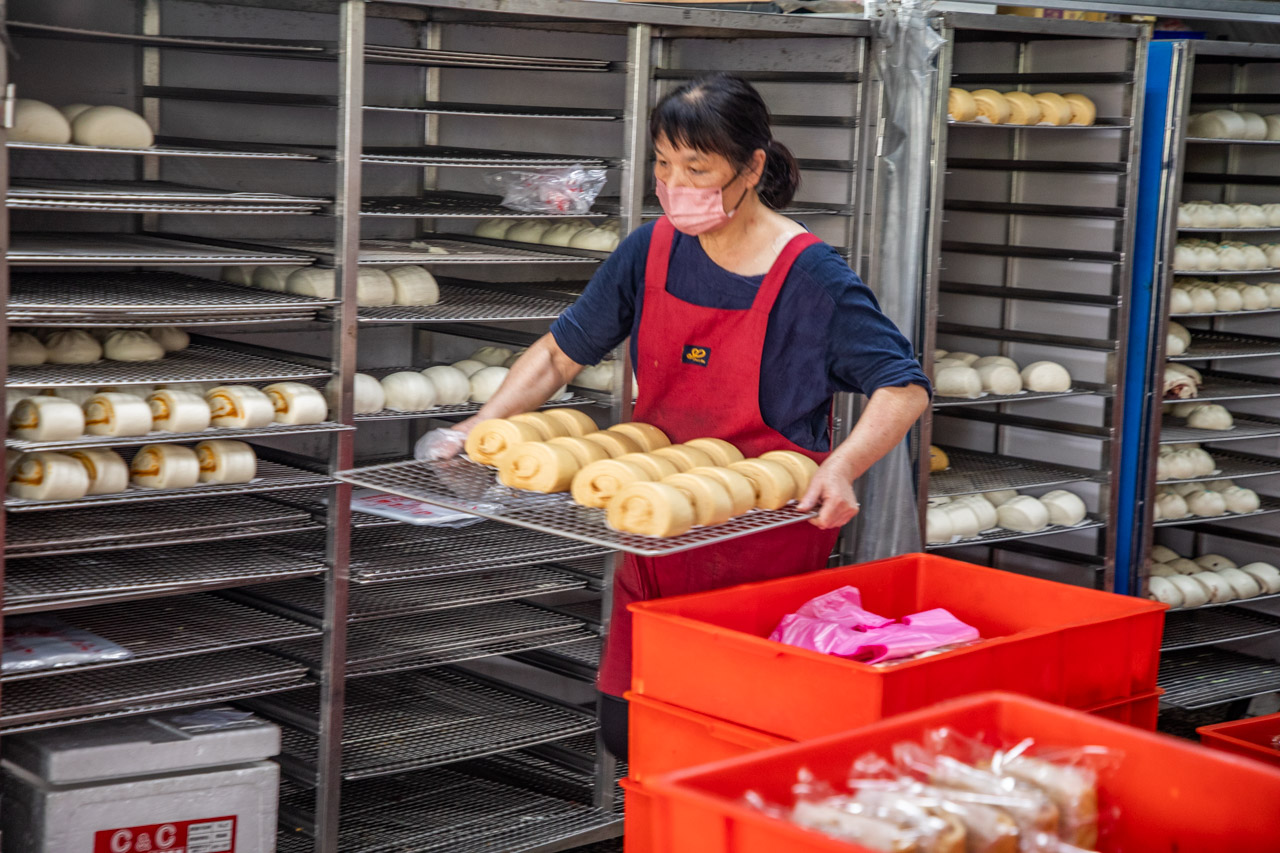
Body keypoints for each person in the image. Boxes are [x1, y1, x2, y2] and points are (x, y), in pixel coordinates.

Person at [419, 74, 930, 760]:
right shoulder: (652, 249)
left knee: (734, 744)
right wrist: (474, 431)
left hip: (758, 551)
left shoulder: (810, 276)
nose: (675, 182)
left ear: (752, 166)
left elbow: (903, 387)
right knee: (632, 731)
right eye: (664, 163)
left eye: (698, 167)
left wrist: (842, 467)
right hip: (654, 533)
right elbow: (558, 355)